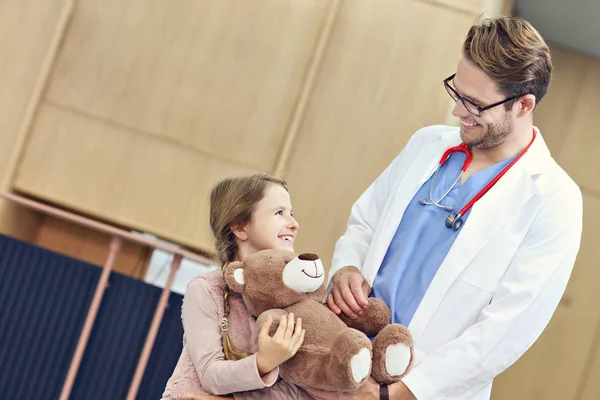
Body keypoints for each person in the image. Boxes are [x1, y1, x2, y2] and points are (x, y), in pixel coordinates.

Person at [326, 16, 583, 400]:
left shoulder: (553, 199)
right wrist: (346, 268)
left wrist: (400, 392)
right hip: (345, 358)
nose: (458, 112)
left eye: (475, 104)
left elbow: (508, 328)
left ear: (524, 104)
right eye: (456, 91)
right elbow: (365, 222)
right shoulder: (426, 144)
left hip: (421, 387)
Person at [162, 173, 309, 400]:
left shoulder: (295, 298)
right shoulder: (206, 289)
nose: (294, 224)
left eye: (292, 213)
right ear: (240, 228)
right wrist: (263, 362)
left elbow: (300, 391)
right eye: (279, 213)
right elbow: (210, 374)